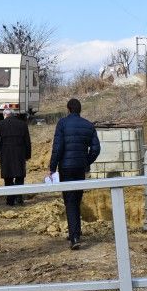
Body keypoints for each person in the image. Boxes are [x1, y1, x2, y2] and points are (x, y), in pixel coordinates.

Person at [47, 98, 100, 250]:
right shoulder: (88, 125)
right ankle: (76, 231)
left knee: (70, 201)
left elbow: (58, 147)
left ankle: (74, 237)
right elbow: (96, 149)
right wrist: (86, 162)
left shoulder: (62, 123)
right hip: (80, 168)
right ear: (79, 110)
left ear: (68, 109)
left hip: (66, 168)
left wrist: (52, 167)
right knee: (77, 199)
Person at [0, 104, 31, 206]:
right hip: (19, 153)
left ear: (5, 115)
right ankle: (19, 198)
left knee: (8, 177)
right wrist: (27, 155)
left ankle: (10, 200)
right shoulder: (23, 124)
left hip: (6, 154)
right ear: (13, 115)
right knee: (19, 176)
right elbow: (27, 141)